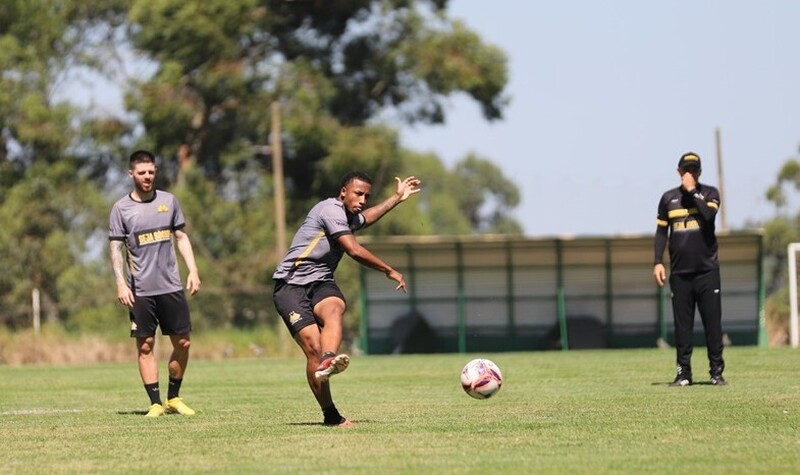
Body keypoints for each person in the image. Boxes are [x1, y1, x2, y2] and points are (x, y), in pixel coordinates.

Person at [272, 171, 421, 426]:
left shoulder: (348, 216)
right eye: (358, 194)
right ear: (343, 192)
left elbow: (366, 218)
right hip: (290, 285)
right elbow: (353, 249)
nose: (363, 200)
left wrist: (396, 198)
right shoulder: (330, 210)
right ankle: (331, 414)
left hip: (320, 282)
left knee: (335, 307)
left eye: (366, 196)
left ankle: (328, 359)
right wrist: (389, 270)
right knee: (313, 348)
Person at [109, 150, 202, 417]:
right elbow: (115, 249)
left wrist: (193, 270)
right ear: (131, 174)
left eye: (151, 172)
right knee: (146, 345)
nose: (147, 176)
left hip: (171, 286)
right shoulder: (121, 209)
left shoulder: (169, 201)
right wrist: (120, 283)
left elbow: (181, 237)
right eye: (142, 172)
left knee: (183, 343)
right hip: (140, 290)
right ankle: (155, 403)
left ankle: (174, 398)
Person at [653, 152, 726, 387]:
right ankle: (683, 373)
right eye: (686, 170)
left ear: (700, 172)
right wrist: (657, 261)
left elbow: (708, 216)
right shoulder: (668, 199)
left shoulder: (710, 194)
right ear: (678, 172)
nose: (690, 173)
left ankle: (716, 372)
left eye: (694, 170)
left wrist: (693, 191)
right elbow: (661, 232)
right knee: (682, 327)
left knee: (712, 325)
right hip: (680, 274)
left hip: (707, 272)